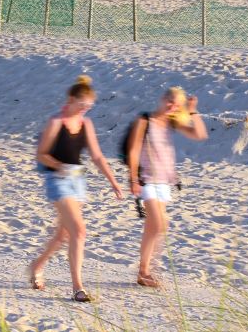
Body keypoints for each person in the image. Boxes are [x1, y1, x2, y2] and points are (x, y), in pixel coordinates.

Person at [29, 76, 125, 302]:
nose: (84, 110)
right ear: (71, 100)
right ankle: (77, 288)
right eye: (82, 106)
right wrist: (59, 165)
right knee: (79, 231)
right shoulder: (56, 122)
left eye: (88, 107)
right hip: (57, 179)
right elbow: (41, 154)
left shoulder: (86, 124)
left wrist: (114, 182)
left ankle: (36, 265)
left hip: (77, 181)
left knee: (64, 234)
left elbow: (97, 156)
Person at [127, 86, 208, 288]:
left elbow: (199, 135)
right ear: (163, 99)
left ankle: (143, 272)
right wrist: (133, 179)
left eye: (176, 104)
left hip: (164, 182)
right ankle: (147, 270)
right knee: (160, 224)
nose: (172, 106)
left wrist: (192, 111)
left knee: (153, 228)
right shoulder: (144, 120)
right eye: (170, 101)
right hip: (146, 180)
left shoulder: (171, 123)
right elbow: (134, 150)